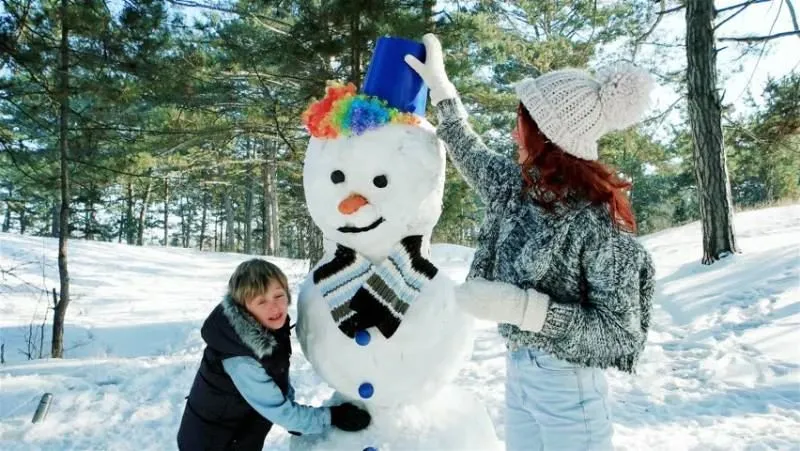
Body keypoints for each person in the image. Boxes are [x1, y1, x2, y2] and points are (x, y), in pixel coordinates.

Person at [405, 34, 656, 451]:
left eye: (521, 122)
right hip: (520, 368)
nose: (512, 132)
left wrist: (525, 309)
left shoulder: (597, 222)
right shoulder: (517, 188)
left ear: (547, 136)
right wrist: (442, 90)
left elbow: (620, 334)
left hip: (569, 386)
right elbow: (469, 150)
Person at [177, 258, 371, 450]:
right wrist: (332, 417)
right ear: (244, 308)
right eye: (261, 301)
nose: (274, 307)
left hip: (238, 434)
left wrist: (297, 419)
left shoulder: (266, 327)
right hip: (215, 444)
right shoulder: (241, 359)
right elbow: (279, 410)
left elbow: (276, 375)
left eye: (278, 296)